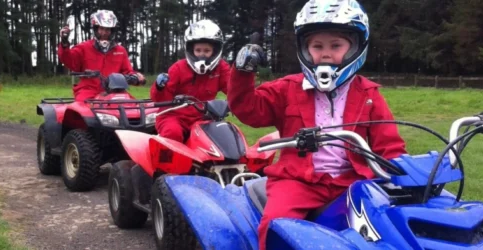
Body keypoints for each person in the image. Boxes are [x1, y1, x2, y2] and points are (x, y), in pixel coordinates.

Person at [227, 1, 407, 249]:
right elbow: (249, 109)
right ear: (304, 48)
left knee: (388, 227)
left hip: (354, 181)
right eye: (317, 45)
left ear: (355, 47)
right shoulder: (287, 88)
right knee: (276, 226)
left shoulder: (369, 94)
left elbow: (390, 147)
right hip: (298, 181)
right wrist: (242, 72)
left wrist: (403, 172)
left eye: (336, 45)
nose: (325, 53)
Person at [150, 19, 230, 143]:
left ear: (214, 51)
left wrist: (241, 92)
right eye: (198, 50)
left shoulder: (221, 68)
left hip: (203, 117)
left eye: (207, 51)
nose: (202, 55)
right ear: (191, 50)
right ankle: (168, 161)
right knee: (173, 133)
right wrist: (159, 87)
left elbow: (233, 89)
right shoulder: (178, 68)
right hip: (173, 116)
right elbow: (160, 100)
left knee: (222, 137)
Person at [58, 9, 145, 101]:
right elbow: (68, 60)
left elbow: (128, 72)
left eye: (107, 29)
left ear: (112, 31)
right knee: (83, 109)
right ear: (96, 29)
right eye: (101, 28)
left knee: (134, 107)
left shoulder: (120, 51)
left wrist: (136, 77)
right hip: (88, 90)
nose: (104, 33)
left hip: (115, 91)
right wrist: (64, 44)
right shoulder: (84, 47)